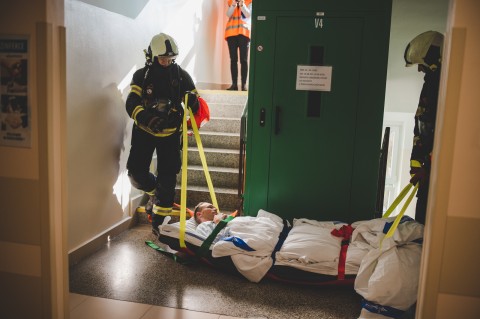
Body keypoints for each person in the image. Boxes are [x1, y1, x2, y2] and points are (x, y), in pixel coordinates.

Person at [125, 33, 200, 236]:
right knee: (135, 173)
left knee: (167, 178)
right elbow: (131, 103)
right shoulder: (142, 75)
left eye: (169, 59)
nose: (166, 63)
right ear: (151, 56)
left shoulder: (181, 75)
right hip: (144, 132)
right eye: (162, 59)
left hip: (170, 135)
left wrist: (193, 103)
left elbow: (196, 101)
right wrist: (148, 119)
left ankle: (160, 223)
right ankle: (153, 192)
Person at [404, 31, 444, 225]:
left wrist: (426, 168)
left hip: (431, 177)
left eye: (420, 64)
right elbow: (421, 129)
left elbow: (438, 132)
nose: (419, 70)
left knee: (424, 225)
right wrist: (417, 169)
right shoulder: (431, 83)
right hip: (425, 177)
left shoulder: (440, 84)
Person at [225, 0, 252, 91]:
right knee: (233, 59)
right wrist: (233, 4)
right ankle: (234, 85)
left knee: (243, 60)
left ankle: (244, 85)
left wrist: (242, 4)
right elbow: (228, 14)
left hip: (244, 33)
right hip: (231, 34)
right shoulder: (230, 1)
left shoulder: (249, 1)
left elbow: (248, 15)